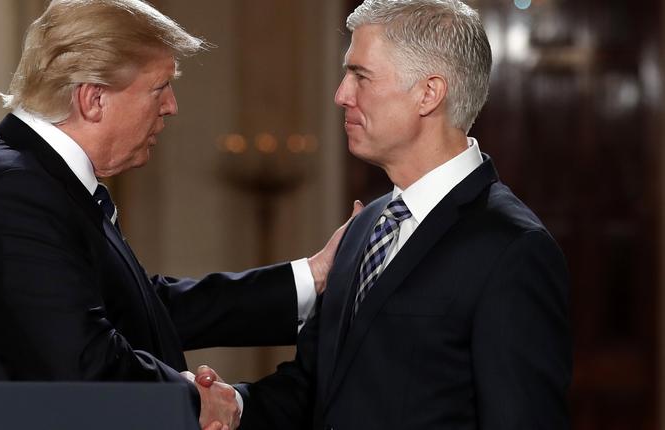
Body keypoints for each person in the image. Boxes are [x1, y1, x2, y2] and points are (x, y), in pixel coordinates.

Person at [0, 1, 359, 428]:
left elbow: (140, 307)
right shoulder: (17, 191)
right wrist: (197, 402)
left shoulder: (37, 178)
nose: (171, 106)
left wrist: (313, 277)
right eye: (159, 87)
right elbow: (85, 369)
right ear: (93, 100)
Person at [195, 0, 571, 428]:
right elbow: (316, 387)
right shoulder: (363, 228)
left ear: (428, 93)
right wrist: (234, 405)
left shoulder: (512, 249)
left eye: (360, 76)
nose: (341, 95)